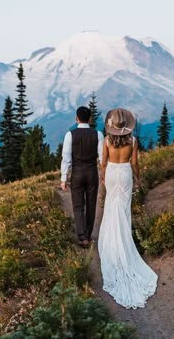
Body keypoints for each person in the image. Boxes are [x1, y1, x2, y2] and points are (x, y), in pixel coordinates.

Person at [98, 108, 158, 309]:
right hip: (125, 175)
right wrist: (138, 178)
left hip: (112, 175)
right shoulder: (132, 142)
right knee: (123, 211)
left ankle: (112, 248)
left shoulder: (106, 141)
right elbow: (134, 163)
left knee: (111, 209)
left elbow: (103, 163)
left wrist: (103, 177)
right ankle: (125, 246)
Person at [61, 106, 104, 248]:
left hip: (77, 173)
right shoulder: (98, 134)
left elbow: (66, 158)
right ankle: (88, 233)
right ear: (90, 119)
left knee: (78, 205)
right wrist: (105, 174)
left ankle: (82, 237)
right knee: (91, 204)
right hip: (92, 172)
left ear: (76, 118)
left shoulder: (70, 135)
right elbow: (102, 158)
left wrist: (63, 178)